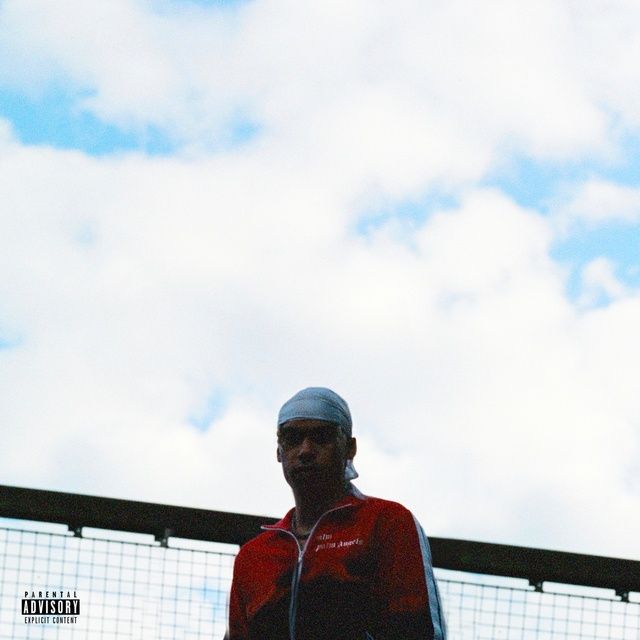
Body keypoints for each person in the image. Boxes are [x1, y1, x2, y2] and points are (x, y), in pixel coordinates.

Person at [225, 387, 447, 640]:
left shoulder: (386, 522)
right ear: (279, 452)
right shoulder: (253, 556)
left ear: (350, 448)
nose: (305, 450)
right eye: (292, 438)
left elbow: (416, 629)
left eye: (321, 437)